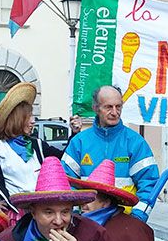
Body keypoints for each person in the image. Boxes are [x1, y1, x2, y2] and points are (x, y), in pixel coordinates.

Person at [0, 82, 63, 216]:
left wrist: (75, 135)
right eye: (29, 117)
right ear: (17, 119)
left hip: (42, 215)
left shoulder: (38, 145)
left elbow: (65, 159)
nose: (33, 121)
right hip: (15, 217)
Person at [62, 85, 160, 213]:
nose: (115, 112)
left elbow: (150, 184)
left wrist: (138, 217)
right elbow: (66, 181)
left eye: (118, 106)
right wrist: (75, 215)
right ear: (95, 108)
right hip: (86, 221)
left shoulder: (135, 142)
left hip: (124, 221)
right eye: (108, 107)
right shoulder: (79, 142)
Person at [72, 158, 156, 241]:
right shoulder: (87, 225)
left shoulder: (107, 233)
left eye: (90, 199)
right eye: (84, 197)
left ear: (106, 203)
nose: (83, 203)